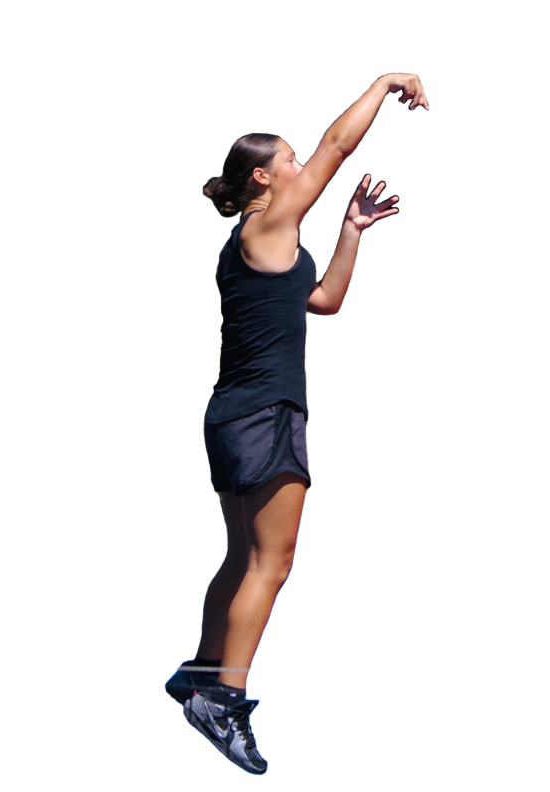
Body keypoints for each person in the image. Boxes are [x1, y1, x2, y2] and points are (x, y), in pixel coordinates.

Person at [165, 72, 430, 775]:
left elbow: (324, 300)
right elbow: (336, 148)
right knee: (273, 562)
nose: (302, 166)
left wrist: (351, 230)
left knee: (241, 557)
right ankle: (223, 698)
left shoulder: (261, 244)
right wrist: (386, 82)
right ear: (263, 176)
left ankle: (202, 672)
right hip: (265, 413)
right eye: (290, 159)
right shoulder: (267, 224)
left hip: (234, 415)